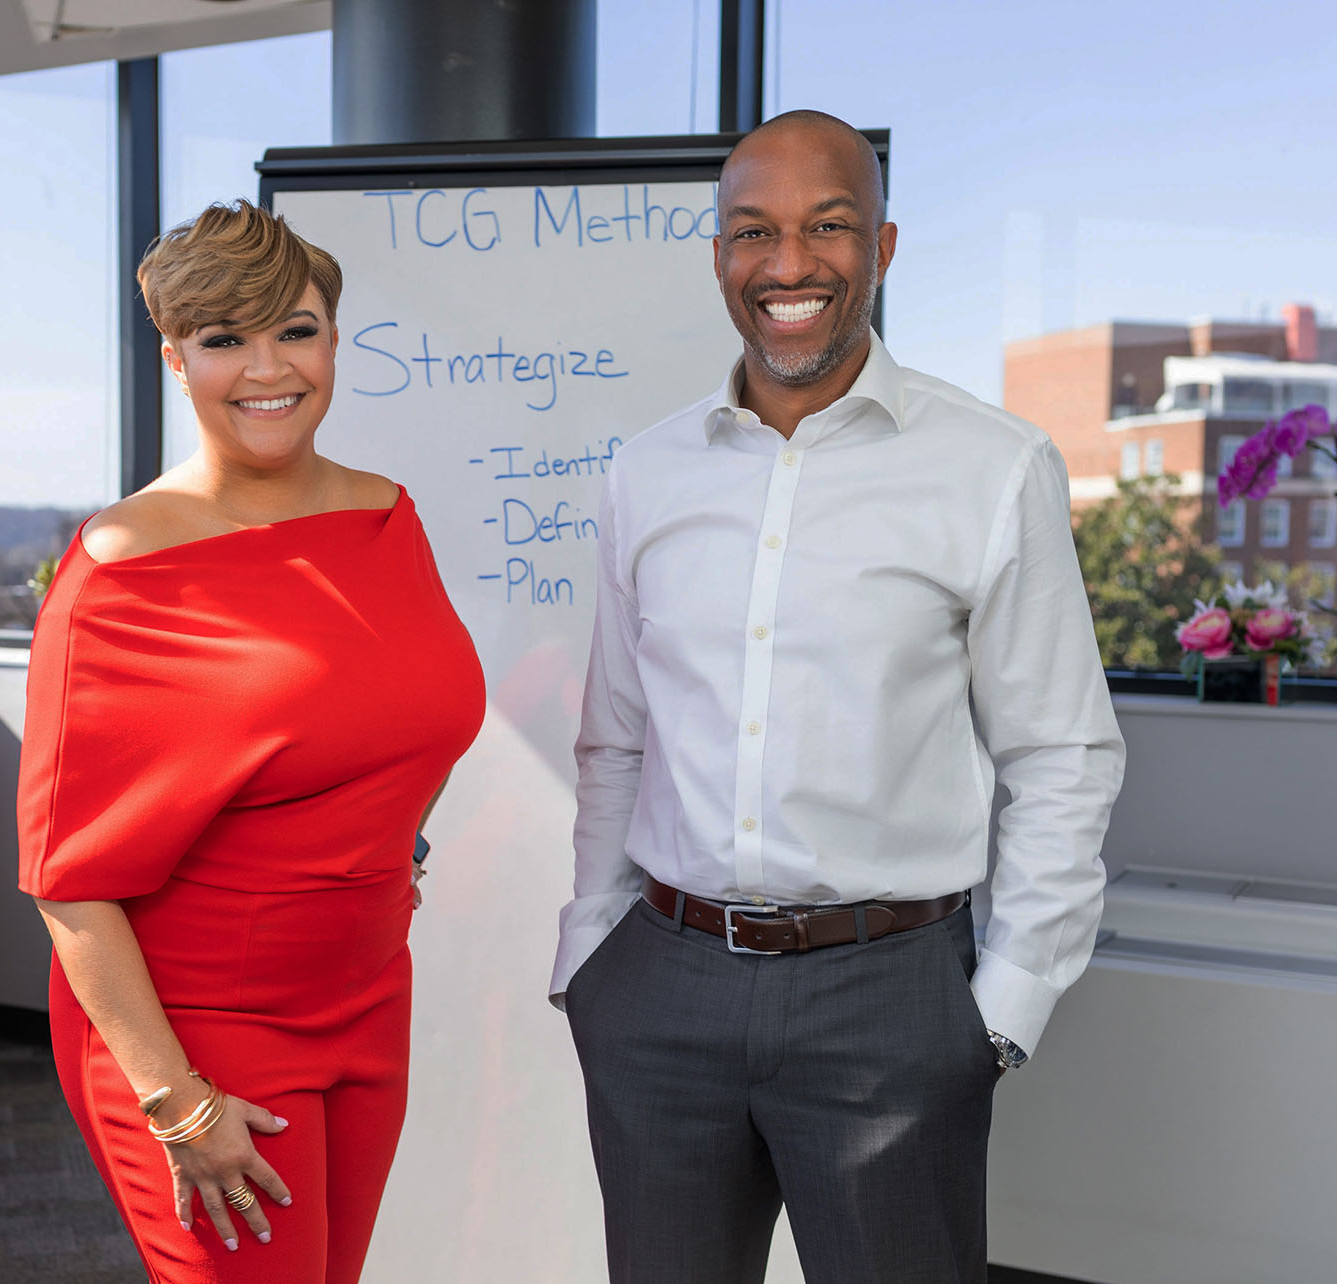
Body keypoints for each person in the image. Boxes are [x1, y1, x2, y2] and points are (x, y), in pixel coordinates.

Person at [553, 110, 1126, 1284]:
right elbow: (615, 737)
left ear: (883, 246)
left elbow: (1062, 753)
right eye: (753, 231)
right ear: (718, 256)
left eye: (829, 226)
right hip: (660, 983)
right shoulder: (645, 472)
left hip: (888, 999)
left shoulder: (991, 467)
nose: (789, 264)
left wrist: (1003, 1008)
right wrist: (589, 954)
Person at [19, 200, 485, 1284]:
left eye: (296, 329)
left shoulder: (385, 516)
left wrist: (374, 869)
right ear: (176, 357)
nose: (267, 367)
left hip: (367, 995)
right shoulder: (121, 571)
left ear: (333, 338)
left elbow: (405, 721)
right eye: (226, 339)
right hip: (196, 1035)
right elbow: (65, 883)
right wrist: (177, 1106)